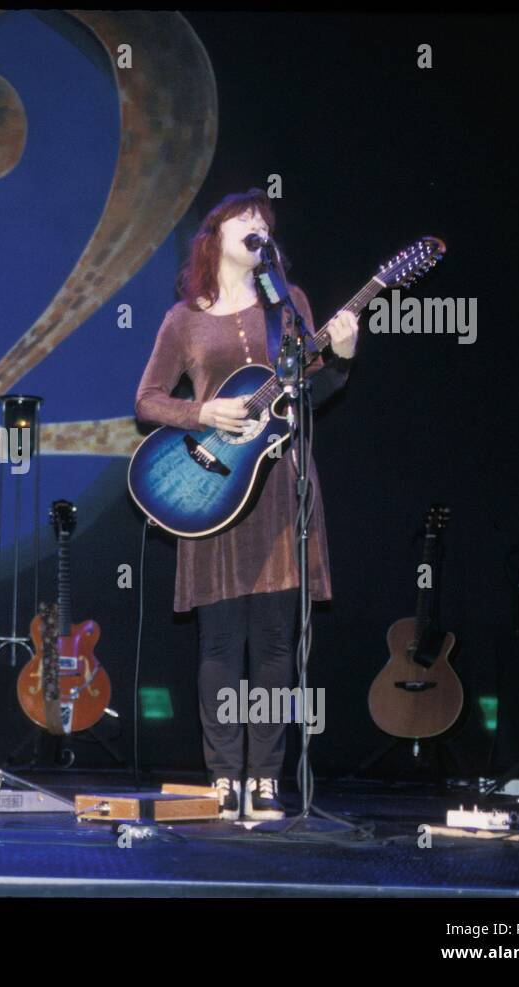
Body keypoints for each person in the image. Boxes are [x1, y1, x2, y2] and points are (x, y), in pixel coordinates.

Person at [134, 189, 357, 820]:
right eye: (244, 217)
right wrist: (201, 410)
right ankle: (223, 776)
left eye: (265, 220)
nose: (258, 224)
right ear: (214, 236)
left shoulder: (288, 307)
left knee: (277, 644)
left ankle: (265, 778)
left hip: (281, 483)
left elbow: (317, 391)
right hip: (215, 487)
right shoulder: (185, 318)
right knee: (220, 642)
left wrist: (341, 357)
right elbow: (148, 399)